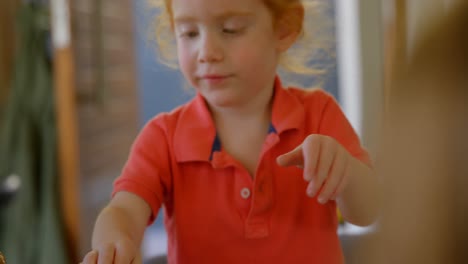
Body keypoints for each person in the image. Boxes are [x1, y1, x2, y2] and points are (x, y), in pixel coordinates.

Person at [81, 0, 379, 263]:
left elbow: (368, 211)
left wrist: (346, 174)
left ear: (284, 28)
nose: (206, 52)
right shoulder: (162, 137)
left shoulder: (319, 113)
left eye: (231, 29)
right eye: (189, 33)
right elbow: (122, 211)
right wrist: (114, 244)